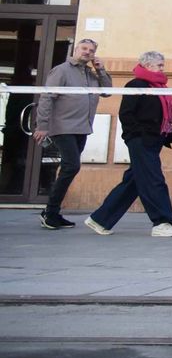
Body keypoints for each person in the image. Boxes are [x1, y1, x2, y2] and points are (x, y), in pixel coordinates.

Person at [84, 51, 172, 238]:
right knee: (154, 180)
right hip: (141, 141)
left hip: (154, 140)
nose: (162, 68)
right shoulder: (136, 85)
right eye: (159, 65)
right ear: (147, 65)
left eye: (162, 65)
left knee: (135, 181)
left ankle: (100, 219)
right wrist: (137, 135)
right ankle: (162, 221)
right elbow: (126, 114)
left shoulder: (160, 87)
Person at [32, 37, 112, 230]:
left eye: (91, 50)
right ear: (75, 49)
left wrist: (100, 69)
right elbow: (47, 97)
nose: (87, 52)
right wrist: (42, 125)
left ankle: (52, 213)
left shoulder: (91, 74)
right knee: (71, 166)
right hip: (63, 127)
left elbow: (107, 91)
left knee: (70, 167)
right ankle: (50, 213)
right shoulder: (61, 70)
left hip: (82, 128)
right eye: (84, 48)